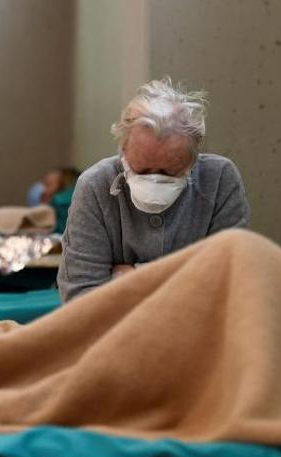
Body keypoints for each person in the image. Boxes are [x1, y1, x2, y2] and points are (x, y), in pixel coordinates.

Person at [57, 78, 250, 302]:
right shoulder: (95, 185)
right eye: (142, 170)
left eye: (169, 173)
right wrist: (185, 280)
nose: (154, 182)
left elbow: (229, 286)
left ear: (193, 160)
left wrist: (132, 278)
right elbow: (80, 298)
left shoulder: (219, 180)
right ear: (123, 151)